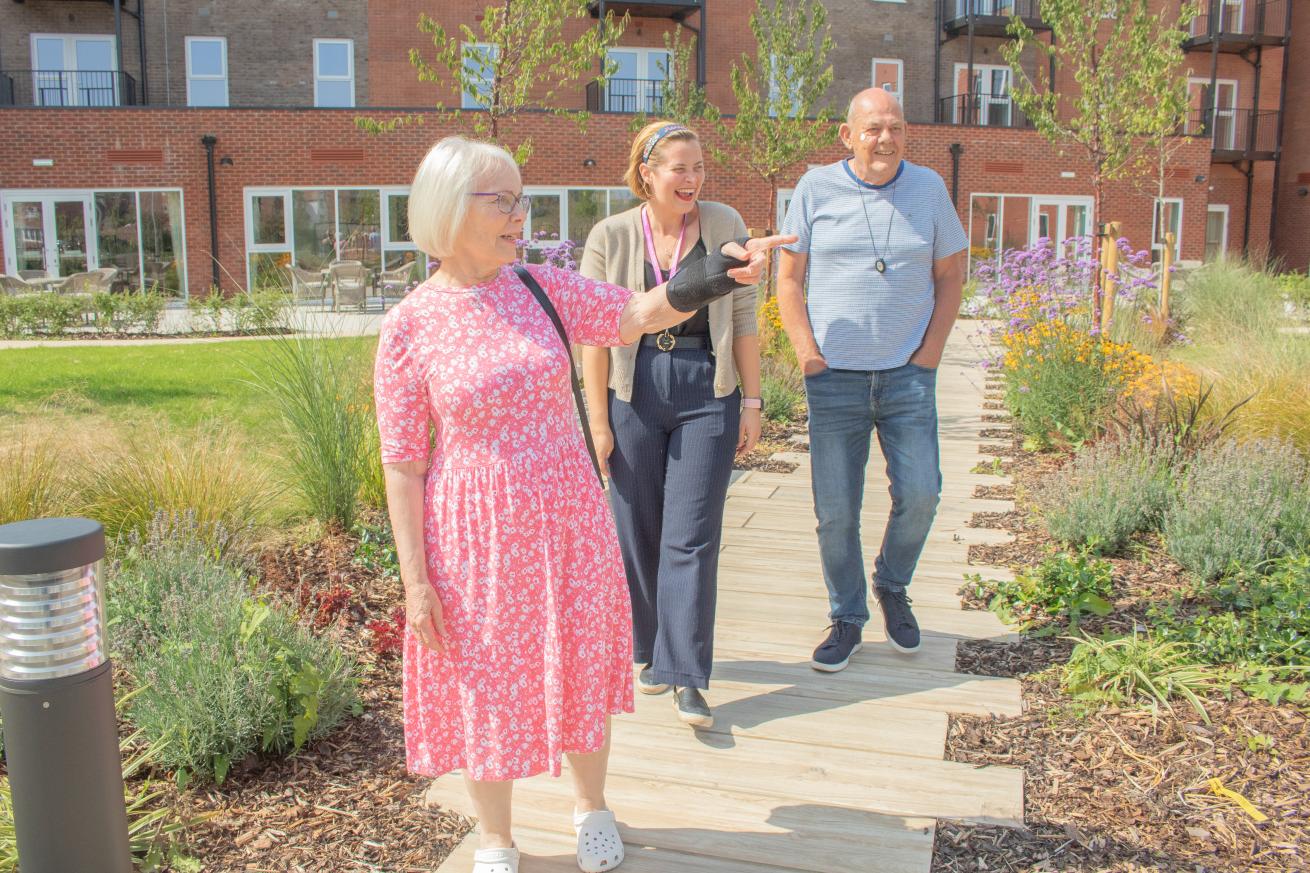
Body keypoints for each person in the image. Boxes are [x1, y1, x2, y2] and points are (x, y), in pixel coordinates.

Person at [374, 135, 791, 873]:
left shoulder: (538, 285)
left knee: (578, 662)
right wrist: (415, 578)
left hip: (569, 515)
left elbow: (634, 313)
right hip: (476, 534)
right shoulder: (411, 323)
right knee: (486, 678)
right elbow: (403, 463)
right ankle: (496, 837)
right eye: (501, 200)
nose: (519, 215)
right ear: (447, 208)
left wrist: (714, 274)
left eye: (520, 198)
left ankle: (591, 806)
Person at [776, 88, 967, 673]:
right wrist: (808, 354)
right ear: (847, 134)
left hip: (908, 377)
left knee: (922, 493)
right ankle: (847, 616)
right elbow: (788, 279)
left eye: (896, 128)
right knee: (836, 510)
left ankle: (892, 583)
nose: (885, 139)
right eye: (873, 128)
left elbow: (952, 276)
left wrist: (930, 354)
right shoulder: (814, 189)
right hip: (834, 380)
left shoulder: (929, 189)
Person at [580, 121, 762, 730]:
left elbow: (742, 318)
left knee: (692, 535)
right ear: (647, 174)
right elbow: (594, 331)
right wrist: (598, 423)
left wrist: (754, 401)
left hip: (706, 390)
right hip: (633, 390)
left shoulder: (724, 223)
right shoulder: (610, 235)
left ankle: (687, 676)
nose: (692, 179)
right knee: (637, 530)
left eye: (699, 168)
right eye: (679, 168)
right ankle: (651, 650)